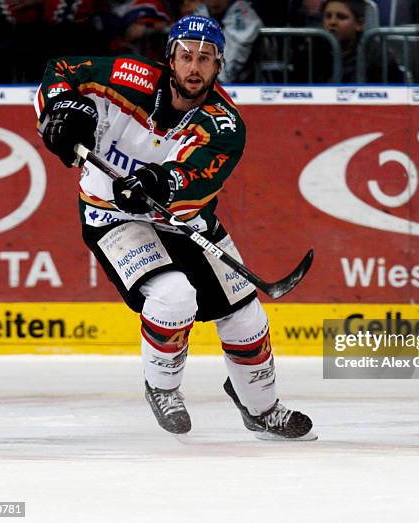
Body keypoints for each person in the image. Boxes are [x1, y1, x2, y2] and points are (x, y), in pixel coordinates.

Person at [34, 14, 316, 441]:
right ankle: (163, 388)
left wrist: (156, 183)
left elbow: (196, 179)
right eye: (186, 55)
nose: (195, 66)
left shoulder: (224, 124)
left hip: (182, 219)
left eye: (205, 58)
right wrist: (60, 110)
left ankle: (262, 409)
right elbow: (61, 71)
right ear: (171, 58)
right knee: (174, 296)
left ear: (219, 64)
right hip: (111, 214)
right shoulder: (130, 77)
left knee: (246, 317)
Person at [193, 0, 263, 83]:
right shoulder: (201, 12)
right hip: (207, 79)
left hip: (247, 84)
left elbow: (232, 60)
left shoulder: (243, 13)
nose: (214, 1)